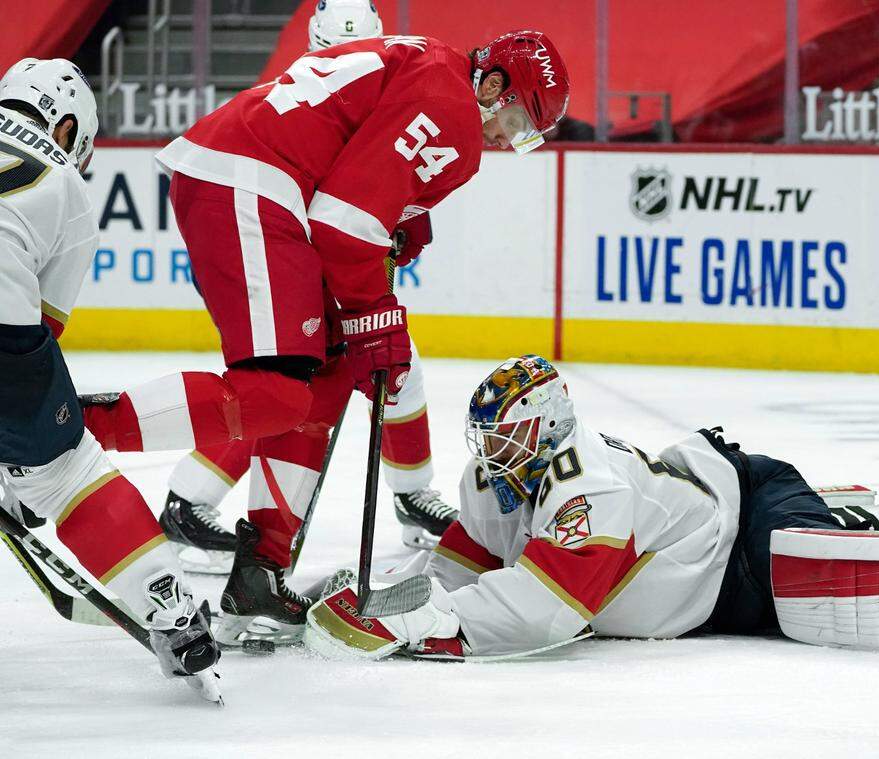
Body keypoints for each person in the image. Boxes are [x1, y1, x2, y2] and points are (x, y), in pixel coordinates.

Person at [82, 32, 570, 647]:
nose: (509, 138)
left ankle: (261, 571)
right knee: (275, 394)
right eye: (518, 120)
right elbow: (345, 224)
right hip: (253, 180)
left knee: (326, 375)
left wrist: (406, 222)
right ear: (495, 85)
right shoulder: (452, 105)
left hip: (257, 177)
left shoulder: (433, 69)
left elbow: (358, 161)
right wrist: (376, 312)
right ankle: (56, 436)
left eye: (529, 137)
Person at [305, 355, 879, 659]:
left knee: (828, 587)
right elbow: (462, 565)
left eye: (507, 438)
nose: (493, 455)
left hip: (746, 527)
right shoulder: (496, 480)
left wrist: (425, 627)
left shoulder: (585, 487)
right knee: (800, 603)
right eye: (486, 438)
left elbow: (546, 612)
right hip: (705, 575)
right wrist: (388, 593)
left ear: (548, 428)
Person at [158, 0, 454, 579]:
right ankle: (189, 499)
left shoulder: (361, 96)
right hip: (272, 249)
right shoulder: (299, 102)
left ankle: (413, 496)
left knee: (390, 370)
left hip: (298, 255)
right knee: (286, 384)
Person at [0, 59, 220, 692]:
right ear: (66, 127)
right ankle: (172, 613)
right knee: (69, 475)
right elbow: (40, 330)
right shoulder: (65, 183)